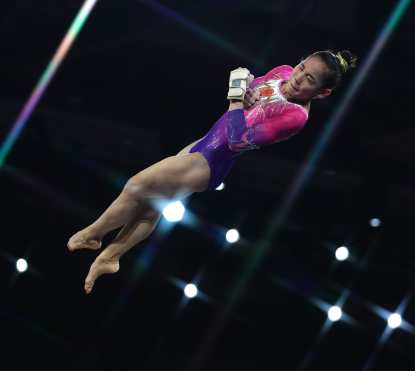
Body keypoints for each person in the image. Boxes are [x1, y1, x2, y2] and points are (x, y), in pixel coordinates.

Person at [67, 50, 357, 294]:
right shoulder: (281, 71)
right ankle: (111, 256)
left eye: (309, 79)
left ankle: (93, 234)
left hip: (211, 163)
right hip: (205, 142)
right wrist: (244, 84)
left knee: (137, 185)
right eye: (302, 66)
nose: (297, 77)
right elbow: (252, 87)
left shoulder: (295, 117)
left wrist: (235, 94)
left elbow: (237, 139)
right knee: (152, 202)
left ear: (323, 92)